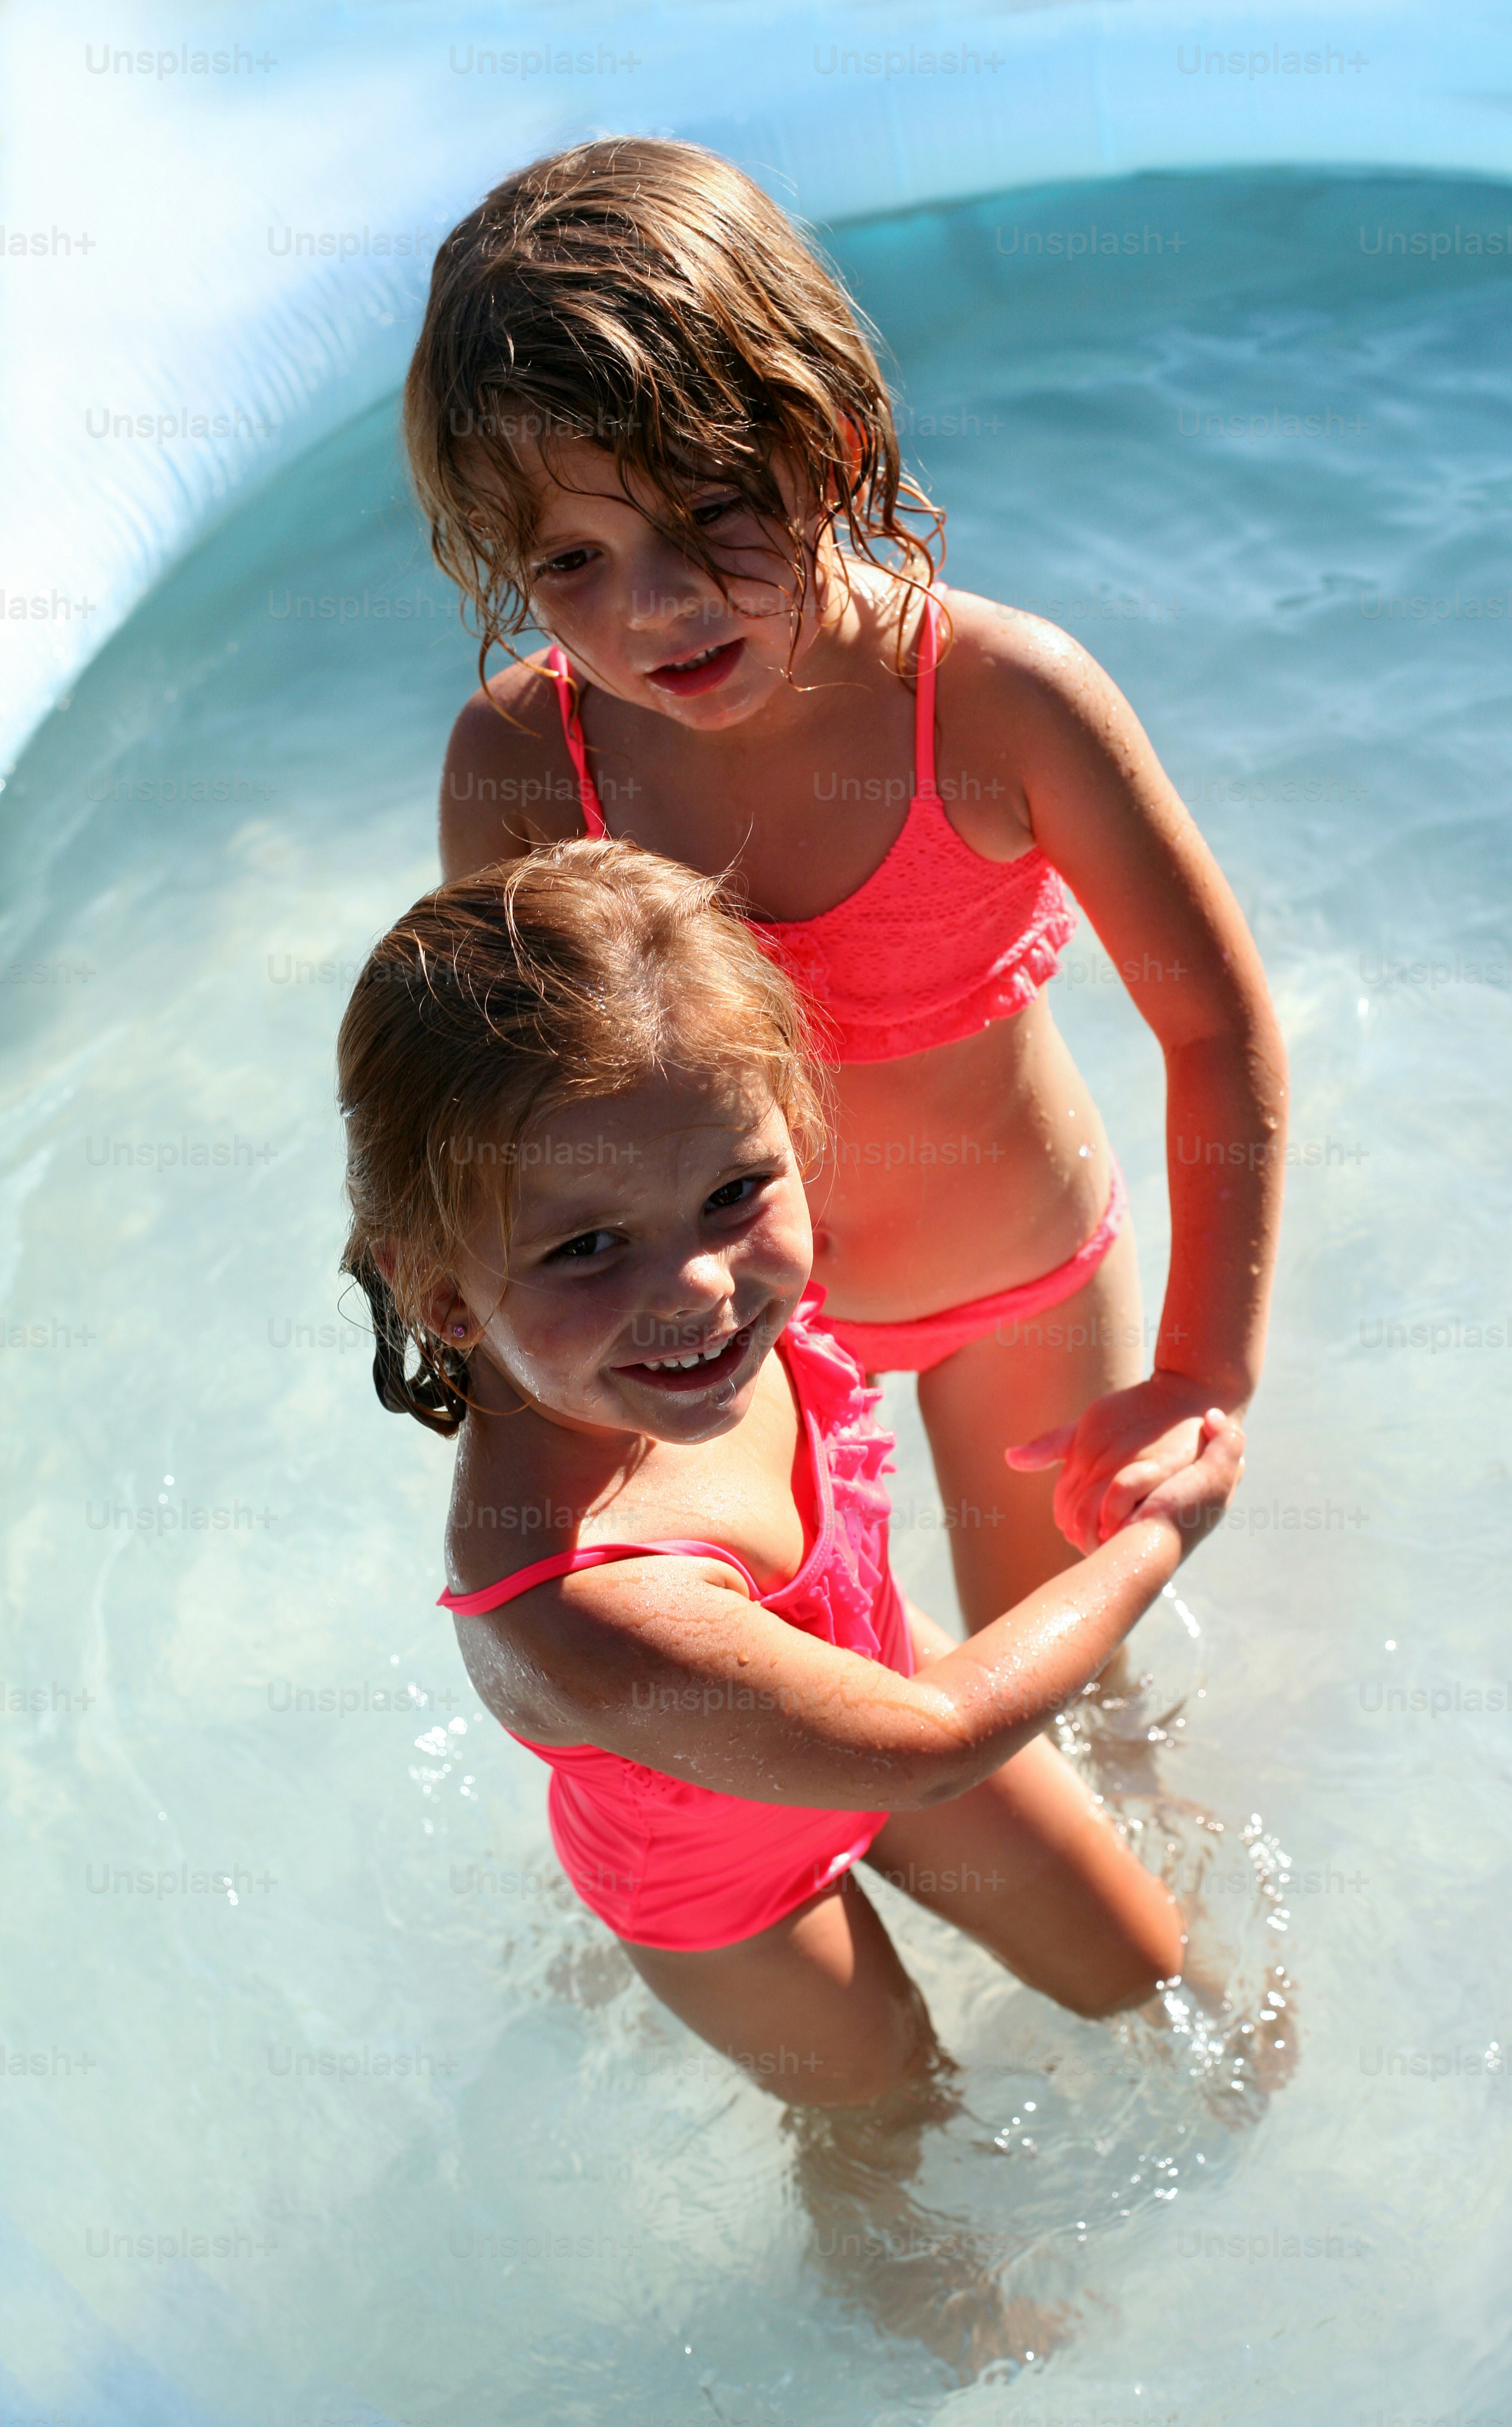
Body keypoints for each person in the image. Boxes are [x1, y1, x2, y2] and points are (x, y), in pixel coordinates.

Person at [402, 136, 1284, 1636]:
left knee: (1055, 1683)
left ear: (835, 434)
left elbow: (1217, 1030)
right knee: (819, 1730)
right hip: (722, 1331)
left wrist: (1202, 1375)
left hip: (1017, 1284)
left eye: (706, 516)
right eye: (570, 560)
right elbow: (499, 1123)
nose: (654, 604)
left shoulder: (1002, 702)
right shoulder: (528, 764)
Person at [337, 840, 1245, 2106]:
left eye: (734, 1191)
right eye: (589, 1246)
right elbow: (931, 1747)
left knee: (1168, 1985)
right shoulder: (583, 1608)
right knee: (894, 2111)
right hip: (724, 1886)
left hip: (875, 1684)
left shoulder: (700, 1328)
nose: (698, 1287)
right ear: (439, 1288)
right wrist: (1159, 1535)